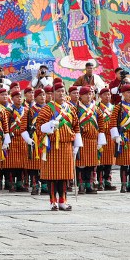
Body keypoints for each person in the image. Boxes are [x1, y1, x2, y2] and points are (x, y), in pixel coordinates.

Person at [36, 80, 81, 211]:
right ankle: (52, 201)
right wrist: (50, 125)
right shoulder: (47, 108)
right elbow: (38, 127)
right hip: (51, 146)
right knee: (52, 175)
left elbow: (76, 126)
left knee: (64, 175)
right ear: (53, 94)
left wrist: (77, 144)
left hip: (66, 145)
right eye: (58, 91)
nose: (61, 94)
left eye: (63, 91)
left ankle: (63, 200)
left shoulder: (71, 108)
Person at [75, 86, 107, 195]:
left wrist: (100, 138)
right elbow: (73, 123)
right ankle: (81, 184)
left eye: (90, 94)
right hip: (82, 139)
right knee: (80, 163)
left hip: (93, 139)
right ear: (81, 96)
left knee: (90, 163)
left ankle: (89, 184)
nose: (88, 96)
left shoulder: (96, 109)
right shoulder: (76, 108)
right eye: (86, 94)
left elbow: (101, 123)